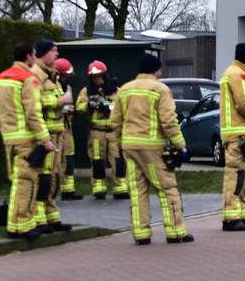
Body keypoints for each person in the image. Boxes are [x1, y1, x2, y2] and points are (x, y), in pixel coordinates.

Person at [109, 53, 191, 245]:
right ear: (157, 69)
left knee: (138, 190)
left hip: (130, 147)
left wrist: (119, 143)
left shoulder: (125, 89)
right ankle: (175, 232)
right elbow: (168, 121)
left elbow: (114, 121)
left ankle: (141, 234)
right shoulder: (160, 89)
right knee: (167, 188)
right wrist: (180, 145)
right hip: (152, 147)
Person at [0, 42, 54, 240]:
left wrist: (5, 130)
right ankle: (23, 226)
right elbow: (33, 113)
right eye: (34, 55)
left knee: (17, 183)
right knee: (27, 183)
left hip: (9, 138)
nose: (35, 58)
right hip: (26, 139)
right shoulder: (28, 79)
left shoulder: (2, 78)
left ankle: (15, 225)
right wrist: (45, 139)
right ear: (28, 56)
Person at [219, 42, 245, 232]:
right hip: (237, 131)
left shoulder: (232, 73)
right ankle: (231, 217)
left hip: (235, 131)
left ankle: (240, 214)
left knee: (241, 175)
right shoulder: (238, 75)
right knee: (234, 175)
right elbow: (243, 104)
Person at [31, 39, 71, 233]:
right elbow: (35, 102)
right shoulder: (35, 75)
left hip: (57, 134)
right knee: (43, 177)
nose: (57, 54)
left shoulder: (51, 75)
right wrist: (60, 101)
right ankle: (39, 219)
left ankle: (52, 216)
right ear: (43, 53)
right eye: (53, 51)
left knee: (54, 177)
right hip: (44, 135)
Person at [76, 60, 128, 200]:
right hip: (96, 131)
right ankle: (99, 187)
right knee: (97, 159)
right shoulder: (86, 91)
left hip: (113, 131)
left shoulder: (116, 90)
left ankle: (120, 187)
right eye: (94, 77)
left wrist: (109, 107)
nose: (97, 79)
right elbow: (79, 107)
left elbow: (123, 107)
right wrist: (89, 105)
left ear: (105, 75)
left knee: (117, 159)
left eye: (99, 76)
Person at [55, 57, 82, 200]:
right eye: (65, 75)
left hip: (67, 126)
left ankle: (68, 190)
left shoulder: (68, 88)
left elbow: (70, 103)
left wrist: (72, 110)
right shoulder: (52, 87)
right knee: (57, 161)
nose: (67, 78)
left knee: (69, 158)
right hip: (56, 128)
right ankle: (54, 190)